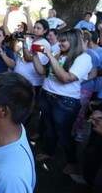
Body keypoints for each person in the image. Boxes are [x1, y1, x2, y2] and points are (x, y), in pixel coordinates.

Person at [33, 29, 92, 174]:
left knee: (64, 134)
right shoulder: (58, 54)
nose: (59, 43)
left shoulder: (83, 58)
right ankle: (49, 151)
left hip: (65, 101)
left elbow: (65, 78)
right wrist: (34, 54)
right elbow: (41, 72)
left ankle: (72, 162)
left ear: (73, 41)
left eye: (63, 41)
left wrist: (49, 55)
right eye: (59, 40)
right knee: (49, 129)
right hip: (47, 96)